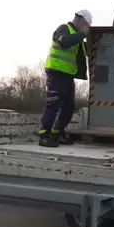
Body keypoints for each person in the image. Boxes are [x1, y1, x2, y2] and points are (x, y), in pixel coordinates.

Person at [39, 10, 92, 147]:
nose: (85, 28)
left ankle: (57, 133)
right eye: (86, 25)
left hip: (67, 76)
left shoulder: (77, 38)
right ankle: (44, 135)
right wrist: (82, 34)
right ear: (80, 20)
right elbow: (66, 42)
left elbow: (87, 51)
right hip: (56, 73)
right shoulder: (63, 29)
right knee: (53, 104)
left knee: (69, 106)